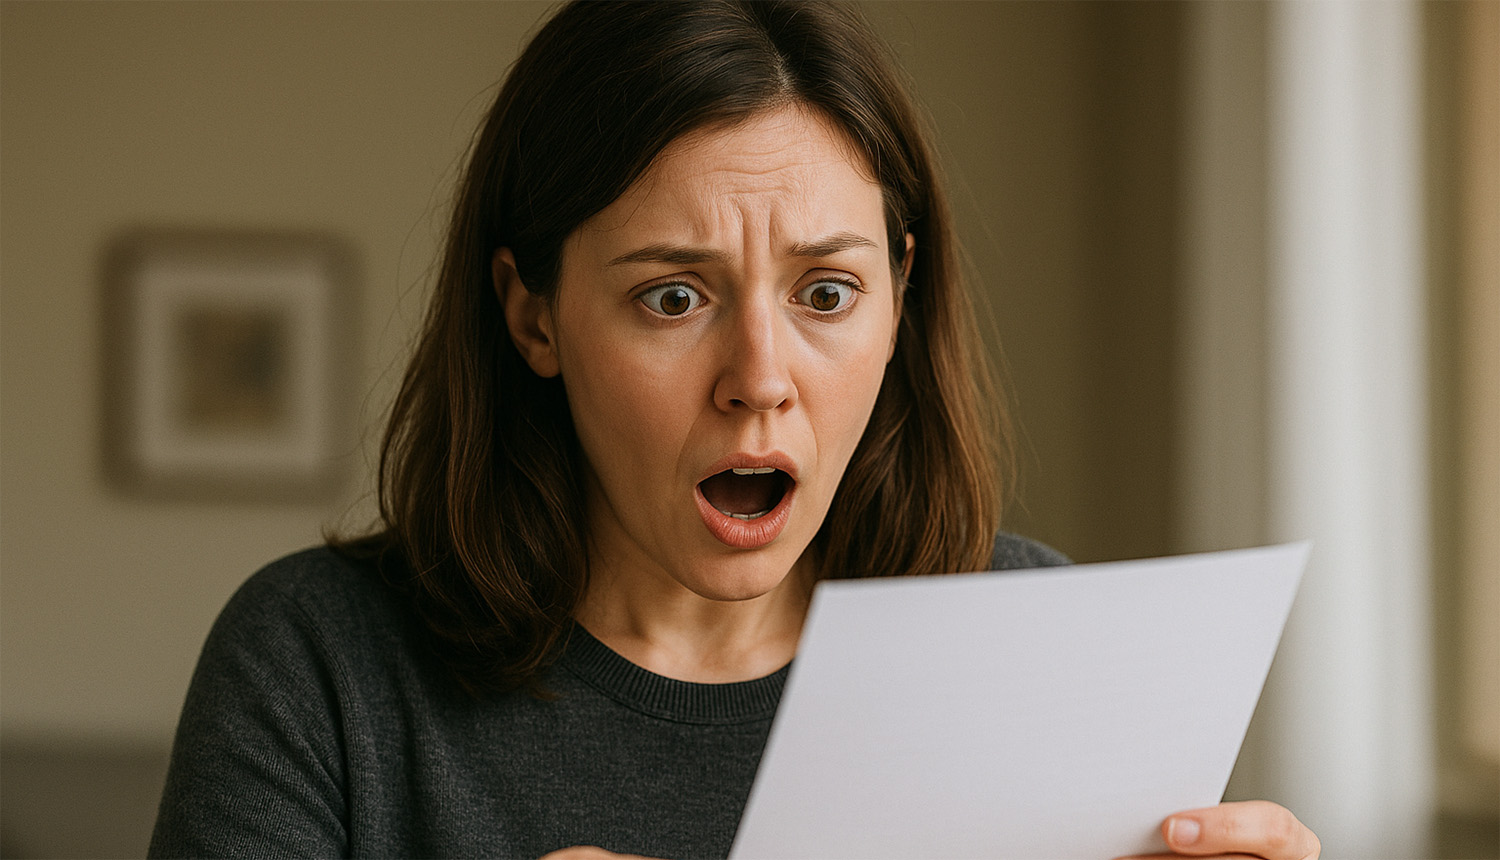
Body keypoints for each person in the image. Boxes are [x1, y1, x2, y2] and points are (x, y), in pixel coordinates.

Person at [149, 3, 1320, 859]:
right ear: (533, 312)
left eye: (825, 294)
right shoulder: (317, 661)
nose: (760, 380)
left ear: (900, 297)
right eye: (673, 297)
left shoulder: (1033, 648)